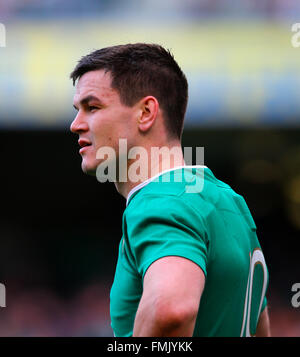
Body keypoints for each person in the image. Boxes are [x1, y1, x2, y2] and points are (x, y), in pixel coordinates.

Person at [69, 43, 270, 337]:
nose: (75, 124)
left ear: (146, 112)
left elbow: (170, 310)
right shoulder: (229, 201)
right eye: (78, 110)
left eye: (92, 107)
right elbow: (259, 325)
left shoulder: (160, 202)